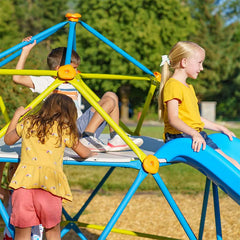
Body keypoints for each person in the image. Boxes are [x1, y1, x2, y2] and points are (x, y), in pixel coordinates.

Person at [13, 36, 143, 153]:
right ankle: (88, 136)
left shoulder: (75, 81)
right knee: (109, 101)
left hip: (80, 126)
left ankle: (115, 137)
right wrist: (25, 51)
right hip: (63, 129)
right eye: (73, 68)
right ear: (59, 69)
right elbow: (17, 78)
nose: (76, 71)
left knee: (111, 95)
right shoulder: (46, 81)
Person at [4, 93, 94, 240]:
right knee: (52, 232)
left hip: (23, 186)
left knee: (21, 234)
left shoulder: (28, 123)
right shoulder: (64, 129)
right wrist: (91, 152)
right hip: (49, 187)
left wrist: (17, 116)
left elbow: (8, 140)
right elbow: (83, 153)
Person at [158, 41, 240, 170]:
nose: (201, 68)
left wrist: (220, 127)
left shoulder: (188, 87)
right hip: (180, 137)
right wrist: (194, 134)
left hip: (192, 134)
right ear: (184, 62)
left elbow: (195, 118)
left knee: (230, 161)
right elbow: (173, 119)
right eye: (199, 62)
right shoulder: (173, 86)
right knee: (227, 163)